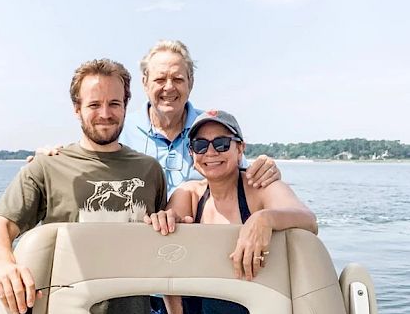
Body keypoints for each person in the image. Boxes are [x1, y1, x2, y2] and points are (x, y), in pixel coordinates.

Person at [0, 58, 166, 314]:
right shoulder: (46, 165)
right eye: (93, 104)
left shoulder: (149, 170)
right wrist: (2, 264)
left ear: (126, 106)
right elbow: (0, 226)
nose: (105, 113)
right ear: (77, 109)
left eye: (114, 103)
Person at [31, 41, 281, 197]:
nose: (169, 87)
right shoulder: (119, 128)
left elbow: (246, 176)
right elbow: (87, 158)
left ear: (191, 83)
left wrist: (266, 171)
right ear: (145, 83)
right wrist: (52, 159)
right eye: (160, 79)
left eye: (178, 79)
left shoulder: (212, 131)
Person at [145, 110, 318, 314]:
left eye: (222, 143)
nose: (210, 152)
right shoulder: (189, 195)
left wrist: (263, 219)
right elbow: (167, 260)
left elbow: (308, 220)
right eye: (200, 145)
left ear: (240, 149)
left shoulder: (260, 188)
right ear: (191, 153)